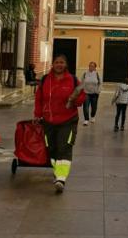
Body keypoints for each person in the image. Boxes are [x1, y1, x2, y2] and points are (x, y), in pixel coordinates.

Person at [34, 54, 85, 193]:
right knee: (51, 148)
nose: (59, 65)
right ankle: (57, 173)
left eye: (62, 62)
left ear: (66, 65)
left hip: (68, 120)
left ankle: (61, 178)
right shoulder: (45, 80)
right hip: (49, 121)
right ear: (53, 64)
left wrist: (74, 100)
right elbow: (39, 99)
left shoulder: (73, 80)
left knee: (64, 147)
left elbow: (81, 96)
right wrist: (37, 115)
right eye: (57, 62)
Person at [81, 62, 101, 126]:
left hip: (94, 93)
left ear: (95, 67)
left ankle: (92, 116)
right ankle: (86, 119)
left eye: (92, 66)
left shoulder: (97, 74)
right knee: (86, 106)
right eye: (90, 66)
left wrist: (98, 90)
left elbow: (100, 83)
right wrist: (82, 90)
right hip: (86, 93)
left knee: (94, 107)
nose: (91, 67)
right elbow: (82, 82)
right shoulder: (85, 73)